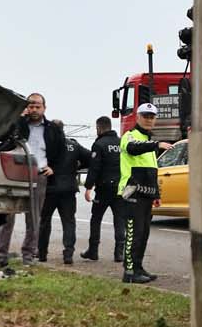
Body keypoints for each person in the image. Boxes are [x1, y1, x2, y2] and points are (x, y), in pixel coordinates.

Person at [0, 93, 53, 266]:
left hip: (39, 176)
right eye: (31, 105)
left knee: (34, 218)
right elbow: (1, 137)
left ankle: (28, 256)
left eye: (38, 106)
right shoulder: (17, 125)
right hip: (14, 175)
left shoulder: (52, 130)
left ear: (44, 107)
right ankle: (1, 256)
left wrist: (53, 167)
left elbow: (60, 152)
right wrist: (18, 119)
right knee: (6, 216)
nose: (34, 109)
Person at [119, 101, 173, 284]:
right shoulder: (130, 136)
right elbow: (133, 149)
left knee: (143, 234)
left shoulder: (149, 142)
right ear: (138, 117)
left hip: (146, 193)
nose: (149, 120)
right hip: (131, 191)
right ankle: (129, 272)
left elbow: (151, 171)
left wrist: (156, 195)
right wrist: (156, 145)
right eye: (146, 116)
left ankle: (138, 266)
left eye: (152, 117)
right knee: (134, 233)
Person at [37, 119, 90, 265]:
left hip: (50, 189)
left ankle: (42, 253)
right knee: (69, 222)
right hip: (69, 189)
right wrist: (77, 166)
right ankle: (68, 254)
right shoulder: (73, 145)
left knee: (44, 222)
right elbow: (90, 158)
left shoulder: (46, 145)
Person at [81, 116, 126, 264]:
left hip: (104, 188)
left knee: (96, 218)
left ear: (99, 127)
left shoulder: (99, 144)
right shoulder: (121, 142)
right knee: (119, 220)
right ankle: (119, 253)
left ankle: (93, 251)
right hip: (120, 187)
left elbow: (94, 168)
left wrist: (88, 187)